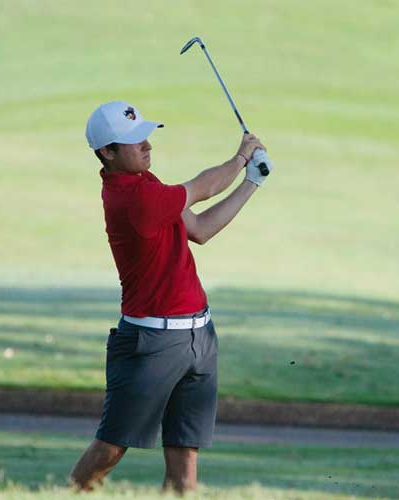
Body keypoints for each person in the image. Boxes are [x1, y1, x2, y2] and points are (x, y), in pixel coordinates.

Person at [69, 100, 270, 494]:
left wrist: (252, 182)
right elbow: (203, 187)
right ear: (107, 152)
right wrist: (242, 155)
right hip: (152, 343)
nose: (145, 144)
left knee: (185, 454)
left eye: (144, 134)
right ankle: (68, 492)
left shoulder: (148, 184)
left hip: (198, 336)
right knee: (112, 446)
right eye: (132, 140)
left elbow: (199, 229)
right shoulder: (133, 199)